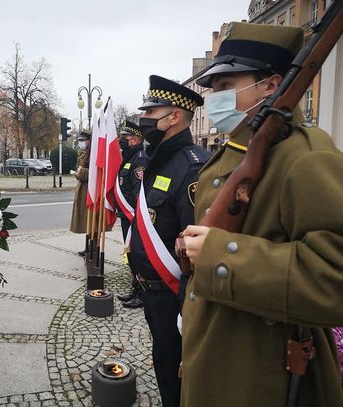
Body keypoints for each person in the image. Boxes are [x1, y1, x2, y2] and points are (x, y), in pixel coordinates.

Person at [181, 22, 343, 406]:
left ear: (271, 85)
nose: (215, 99)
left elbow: (335, 275)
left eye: (226, 86)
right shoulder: (239, 149)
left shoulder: (305, 155)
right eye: (214, 88)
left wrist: (220, 255)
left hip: (262, 377)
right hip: (217, 356)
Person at [129, 75, 209, 407]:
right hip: (151, 290)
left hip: (172, 294)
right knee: (163, 359)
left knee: (176, 367)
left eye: (152, 111)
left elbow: (195, 247)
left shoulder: (192, 168)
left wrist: (185, 307)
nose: (145, 118)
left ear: (174, 116)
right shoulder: (158, 161)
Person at [115, 120, 148, 309]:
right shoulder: (129, 158)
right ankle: (135, 288)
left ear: (135, 140)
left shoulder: (140, 159)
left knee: (136, 255)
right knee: (131, 255)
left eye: (124, 138)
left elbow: (139, 193)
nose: (122, 141)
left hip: (134, 216)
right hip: (127, 216)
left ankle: (142, 294)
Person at [70, 129, 91, 255]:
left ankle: (93, 248)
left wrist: (80, 173)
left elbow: (95, 172)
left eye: (83, 140)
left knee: (90, 220)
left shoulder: (93, 153)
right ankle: (88, 247)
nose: (81, 143)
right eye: (80, 140)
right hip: (83, 189)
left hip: (89, 190)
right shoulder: (85, 153)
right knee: (86, 220)